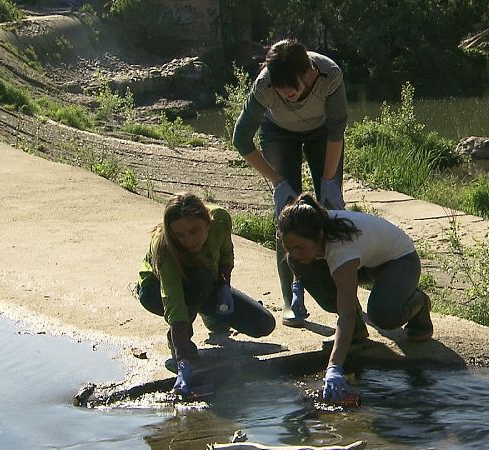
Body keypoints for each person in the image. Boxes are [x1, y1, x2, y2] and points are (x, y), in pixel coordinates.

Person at [232, 38, 349, 328]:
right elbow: (240, 139)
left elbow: (336, 132)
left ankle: (344, 297)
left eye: (293, 91)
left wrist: (329, 184)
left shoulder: (329, 75)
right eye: (281, 92)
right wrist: (278, 182)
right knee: (287, 216)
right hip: (279, 134)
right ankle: (290, 298)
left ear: (308, 73)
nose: (287, 95)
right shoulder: (265, 86)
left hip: (323, 133)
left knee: (331, 214)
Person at [276, 193, 433, 404]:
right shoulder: (309, 226)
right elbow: (297, 256)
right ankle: (356, 333)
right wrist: (297, 286)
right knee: (298, 263)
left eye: (300, 247)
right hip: (363, 261)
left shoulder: (341, 248)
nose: (295, 253)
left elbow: (346, 314)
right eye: (289, 247)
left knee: (384, 315)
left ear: (319, 235)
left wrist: (334, 368)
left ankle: (419, 303)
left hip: (399, 260)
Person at [137, 193, 276, 396]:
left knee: (263, 324)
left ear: (207, 222)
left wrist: (224, 287)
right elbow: (172, 298)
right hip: (154, 293)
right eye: (180, 235)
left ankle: (210, 314)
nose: (188, 240)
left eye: (195, 231)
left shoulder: (220, 219)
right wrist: (182, 355)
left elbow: (226, 254)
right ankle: (179, 340)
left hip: (203, 284)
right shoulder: (164, 246)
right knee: (200, 279)